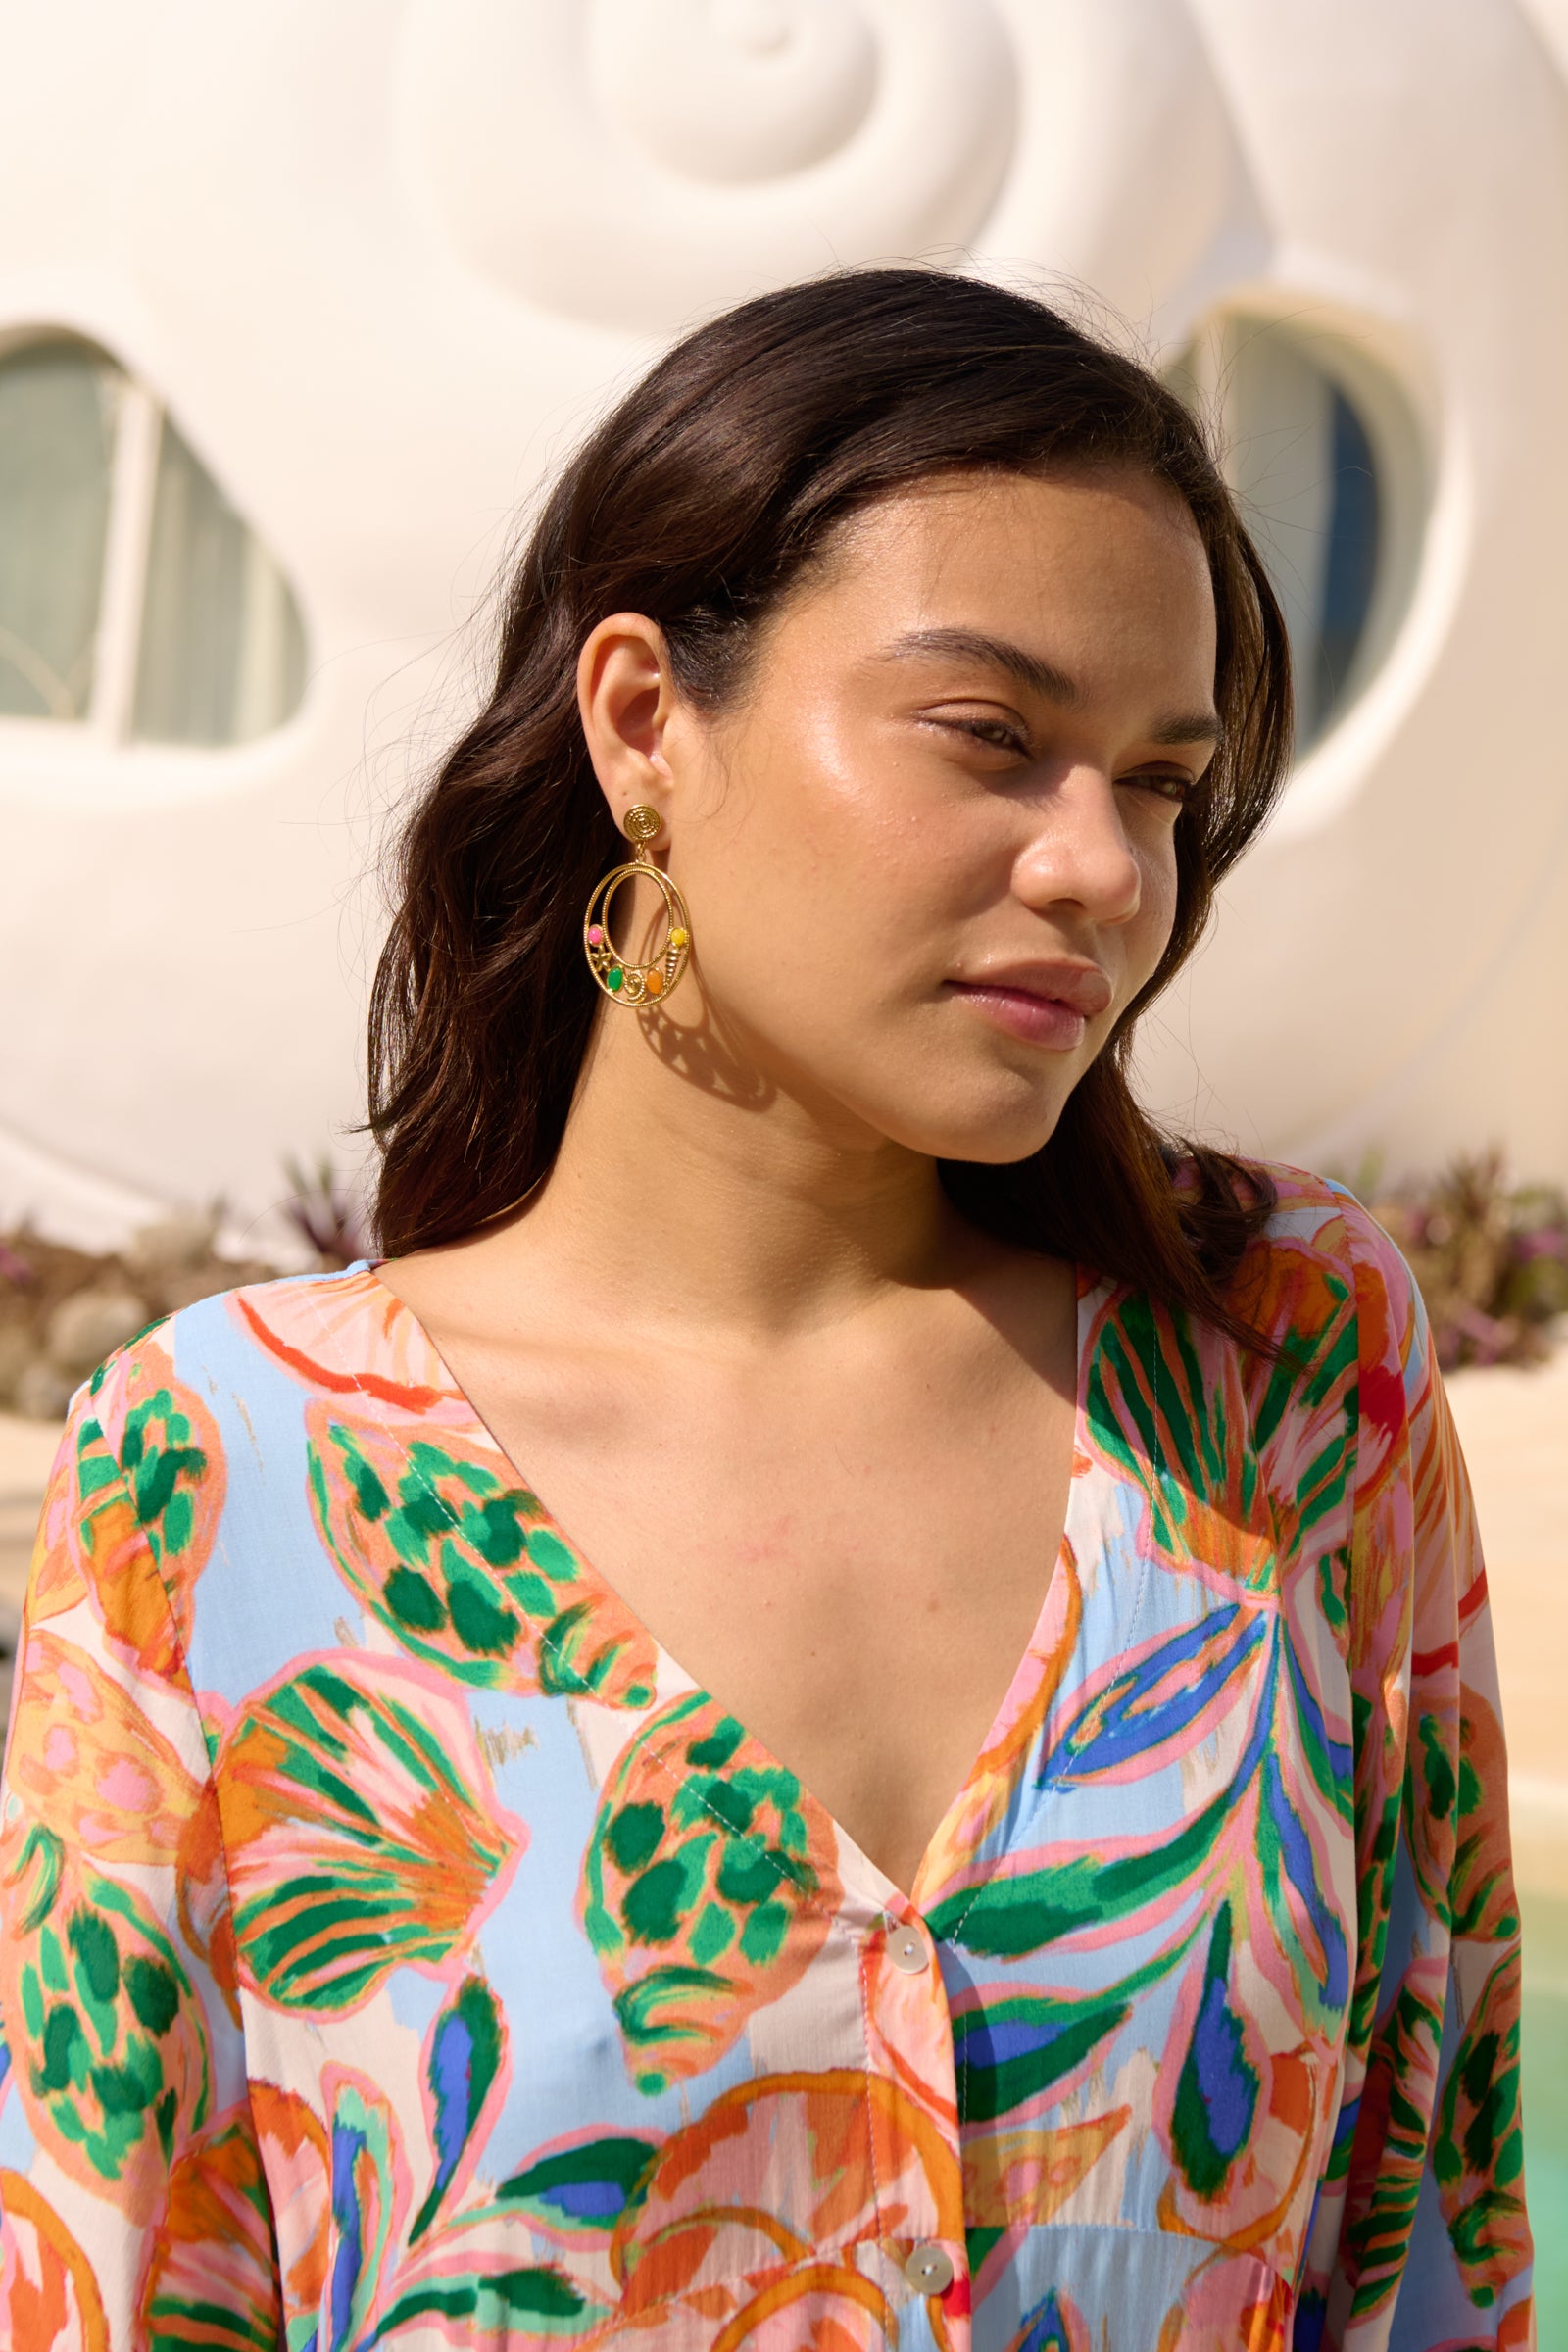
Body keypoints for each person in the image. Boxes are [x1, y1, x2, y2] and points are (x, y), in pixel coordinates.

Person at [0, 270, 1533, 2351]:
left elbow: (1423, 2232)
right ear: (644, 721)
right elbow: (97, 2277)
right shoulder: (231, 1475)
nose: (1099, 868)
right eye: (988, 736)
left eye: (1160, 783)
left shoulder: (1279, 1376)